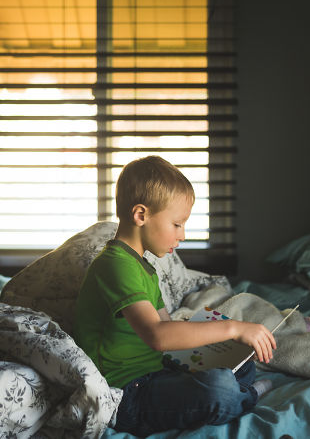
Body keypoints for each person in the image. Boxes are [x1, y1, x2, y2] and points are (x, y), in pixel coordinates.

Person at [74, 156, 277, 436]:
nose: (182, 235)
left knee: (241, 364)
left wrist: (218, 346)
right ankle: (246, 396)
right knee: (218, 389)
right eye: (177, 224)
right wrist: (233, 328)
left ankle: (238, 387)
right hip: (126, 395)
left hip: (159, 372)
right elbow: (158, 335)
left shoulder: (144, 268)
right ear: (141, 215)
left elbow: (169, 330)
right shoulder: (114, 265)